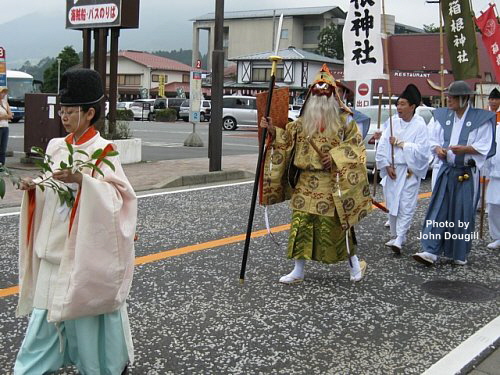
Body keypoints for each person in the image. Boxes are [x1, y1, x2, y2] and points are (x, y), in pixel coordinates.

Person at [14, 68, 137, 375]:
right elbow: (50, 183)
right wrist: (35, 185)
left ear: (90, 112)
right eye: (62, 110)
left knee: (88, 325)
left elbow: (120, 199)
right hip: (54, 250)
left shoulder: (104, 152)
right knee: (42, 324)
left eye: (70, 111)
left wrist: (83, 181)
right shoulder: (57, 146)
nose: (64, 116)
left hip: (84, 258)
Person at [260, 64, 373, 284]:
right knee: (301, 224)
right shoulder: (303, 122)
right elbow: (286, 138)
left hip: (331, 182)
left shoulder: (345, 120)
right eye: (316, 91)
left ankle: (354, 265)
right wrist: (273, 130)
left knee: (338, 227)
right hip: (305, 183)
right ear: (311, 94)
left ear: (334, 95)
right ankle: (298, 270)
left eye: (326, 91)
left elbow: (356, 147)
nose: (320, 96)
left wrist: (335, 157)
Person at [413, 81, 496, 266]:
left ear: (464, 98)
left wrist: (466, 149)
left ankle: (458, 252)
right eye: (448, 95)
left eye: (452, 96)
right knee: (438, 208)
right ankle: (430, 250)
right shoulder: (442, 116)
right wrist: (438, 149)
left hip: (466, 173)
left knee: (462, 212)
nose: (448, 99)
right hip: (446, 169)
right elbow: (431, 138)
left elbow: (485, 146)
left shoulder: (479, 119)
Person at [375, 84, 430, 254]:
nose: (399, 107)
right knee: (392, 203)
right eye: (398, 104)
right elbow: (383, 144)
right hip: (393, 169)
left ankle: (400, 237)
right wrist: (385, 164)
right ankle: (396, 234)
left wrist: (401, 144)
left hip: (409, 170)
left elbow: (422, 150)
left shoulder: (420, 125)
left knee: (406, 204)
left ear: (413, 107)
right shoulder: (392, 122)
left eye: (403, 104)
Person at [0, 86, 13, 166]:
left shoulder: (5, 103)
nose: (4, 94)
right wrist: (6, 116)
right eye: (2, 92)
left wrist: (4, 116)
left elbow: (10, 115)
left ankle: (2, 165)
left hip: (5, 126)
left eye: (4, 92)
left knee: (3, 147)